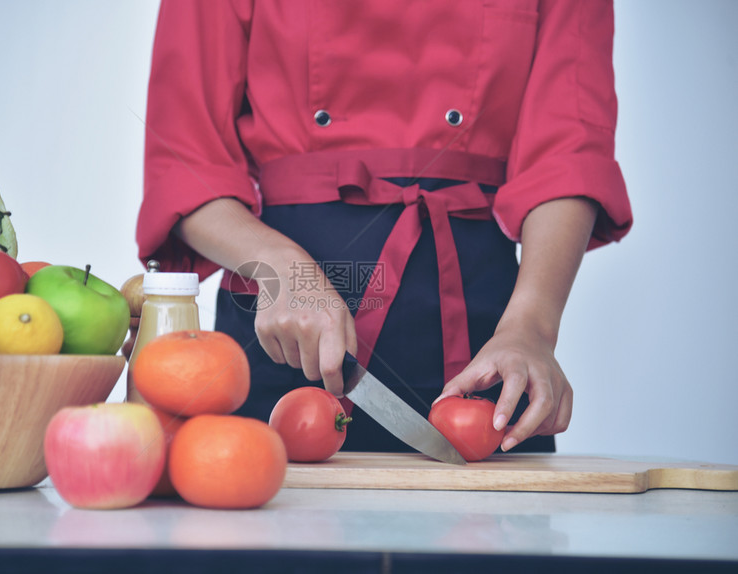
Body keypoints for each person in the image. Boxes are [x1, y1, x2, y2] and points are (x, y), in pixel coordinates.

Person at [135, 0, 632, 454]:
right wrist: (281, 268)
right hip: (281, 339)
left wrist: (532, 327)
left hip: (487, 355)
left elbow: (569, 151)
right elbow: (183, 162)